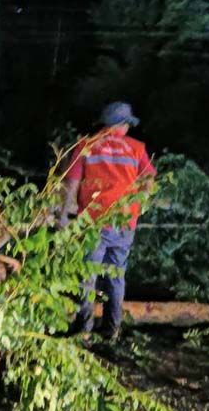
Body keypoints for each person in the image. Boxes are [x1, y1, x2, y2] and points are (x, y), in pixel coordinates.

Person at [62, 101, 156, 340]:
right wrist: (141, 203)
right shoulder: (136, 148)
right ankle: (111, 330)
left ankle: (84, 329)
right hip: (124, 222)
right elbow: (148, 179)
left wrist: (65, 214)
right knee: (115, 276)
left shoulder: (86, 146)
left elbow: (72, 182)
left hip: (93, 221)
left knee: (88, 274)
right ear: (121, 125)